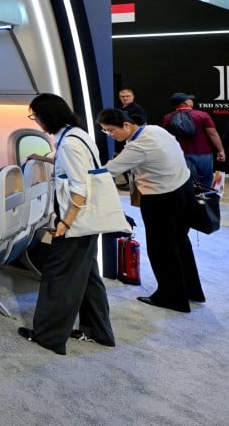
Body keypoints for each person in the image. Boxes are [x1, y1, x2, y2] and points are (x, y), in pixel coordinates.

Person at [18, 93, 115, 354]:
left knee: (58, 277)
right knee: (88, 277)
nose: (35, 121)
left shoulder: (69, 143)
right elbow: (78, 168)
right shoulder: (77, 135)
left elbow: (79, 188)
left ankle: (48, 337)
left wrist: (65, 224)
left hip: (77, 221)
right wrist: (46, 159)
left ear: (47, 115)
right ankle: (98, 330)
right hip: (89, 221)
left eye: (35, 116)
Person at [97, 108, 203, 312]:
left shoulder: (138, 146)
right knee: (180, 244)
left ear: (126, 125)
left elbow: (107, 171)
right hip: (182, 190)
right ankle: (191, 291)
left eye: (110, 131)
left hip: (161, 199)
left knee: (162, 249)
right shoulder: (155, 130)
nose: (111, 136)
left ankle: (172, 298)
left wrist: (72, 173)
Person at [161, 92, 225, 190]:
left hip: (181, 154)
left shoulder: (168, 117)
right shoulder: (202, 115)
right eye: (190, 99)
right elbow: (212, 133)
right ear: (187, 102)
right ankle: (205, 201)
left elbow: (166, 137)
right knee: (205, 180)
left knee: (187, 180)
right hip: (204, 154)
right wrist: (221, 150)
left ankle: (191, 201)